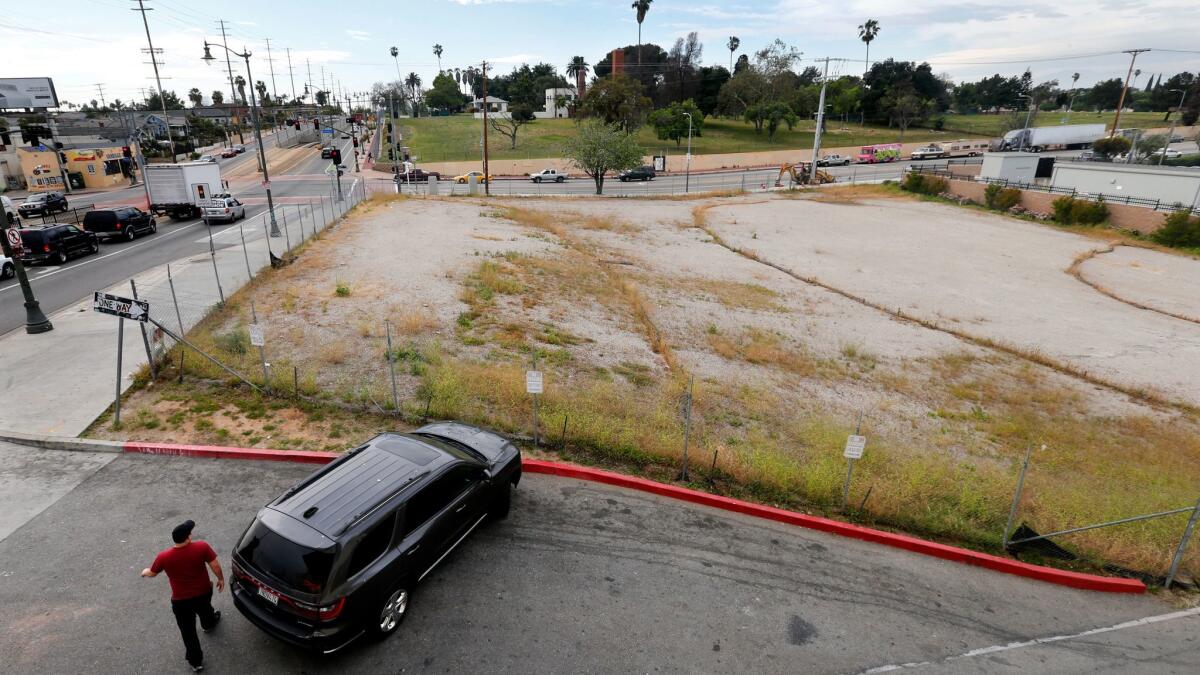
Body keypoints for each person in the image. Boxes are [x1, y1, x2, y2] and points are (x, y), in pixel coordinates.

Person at [142, 520, 225, 672]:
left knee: (188, 631)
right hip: (203, 592)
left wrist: (145, 571)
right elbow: (215, 565)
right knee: (206, 609)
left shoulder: (164, 556)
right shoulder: (202, 547)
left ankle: (196, 662)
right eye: (190, 533)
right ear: (188, 537)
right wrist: (220, 579)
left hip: (181, 601)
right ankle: (208, 624)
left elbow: (152, 573)